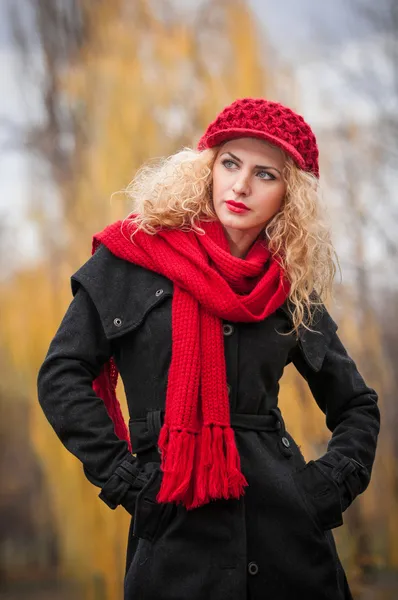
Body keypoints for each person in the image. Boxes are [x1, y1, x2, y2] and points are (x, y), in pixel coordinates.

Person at [37, 97, 380, 600]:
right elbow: (60, 376)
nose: (241, 185)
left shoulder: (288, 287)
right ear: (208, 168)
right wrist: (130, 483)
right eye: (230, 163)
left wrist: (322, 492)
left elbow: (357, 406)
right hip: (175, 537)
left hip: (289, 547)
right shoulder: (132, 259)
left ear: (291, 196)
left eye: (266, 174)